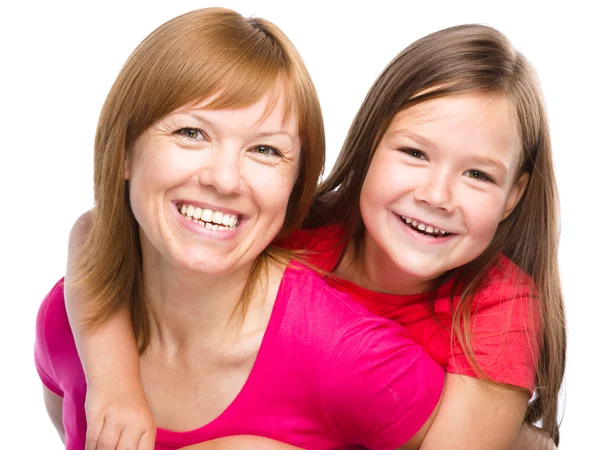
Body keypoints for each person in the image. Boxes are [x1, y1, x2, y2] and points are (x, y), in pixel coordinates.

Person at [58, 20, 565, 450]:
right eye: (415, 153)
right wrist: (115, 382)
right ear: (368, 147)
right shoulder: (295, 228)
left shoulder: (501, 307)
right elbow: (98, 231)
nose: (437, 194)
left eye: (479, 175)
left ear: (513, 197)